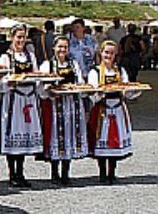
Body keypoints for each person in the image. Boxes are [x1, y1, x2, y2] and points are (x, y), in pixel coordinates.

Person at [87, 40, 139, 183]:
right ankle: (102, 172)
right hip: (102, 108)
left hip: (117, 108)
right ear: (101, 53)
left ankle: (112, 172)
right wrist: (99, 93)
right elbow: (92, 92)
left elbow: (126, 90)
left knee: (115, 139)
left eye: (111, 53)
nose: (108, 55)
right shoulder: (95, 71)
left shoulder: (120, 71)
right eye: (106, 52)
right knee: (101, 139)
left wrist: (135, 91)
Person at [0, 24, 42, 187]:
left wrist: (34, 81)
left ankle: (21, 171)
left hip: (28, 98)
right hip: (14, 99)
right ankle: (12, 173)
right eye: (18, 37)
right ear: (12, 37)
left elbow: (36, 76)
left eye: (23, 37)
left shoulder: (30, 56)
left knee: (24, 133)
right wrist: (10, 82)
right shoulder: (6, 57)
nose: (21, 40)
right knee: (13, 132)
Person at [38, 35, 87, 184]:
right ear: (54, 48)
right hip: (55, 104)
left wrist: (76, 88)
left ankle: (66, 172)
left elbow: (80, 82)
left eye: (65, 47)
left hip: (71, 104)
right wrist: (49, 90)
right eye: (60, 46)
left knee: (69, 134)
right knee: (56, 134)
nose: (62, 50)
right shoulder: (48, 65)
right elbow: (41, 86)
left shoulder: (73, 64)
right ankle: (54, 172)